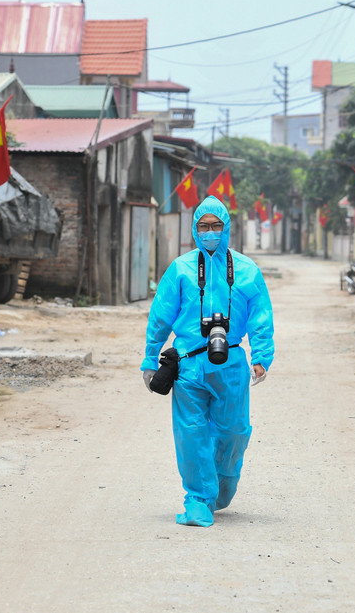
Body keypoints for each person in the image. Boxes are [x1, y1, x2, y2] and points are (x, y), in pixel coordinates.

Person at [141, 195, 275, 527]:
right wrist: (149, 358)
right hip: (188, 364)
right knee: (191, 433)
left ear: (227, 228)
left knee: (233, 432)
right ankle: (198, 498)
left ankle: (222, 484)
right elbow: (160, 317)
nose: (210, 232)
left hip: (230, 363)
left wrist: (261, 356)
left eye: (216, 226)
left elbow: (261, 317)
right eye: (204, 226)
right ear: (194, 229)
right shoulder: (181, 269)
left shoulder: (246, 270)